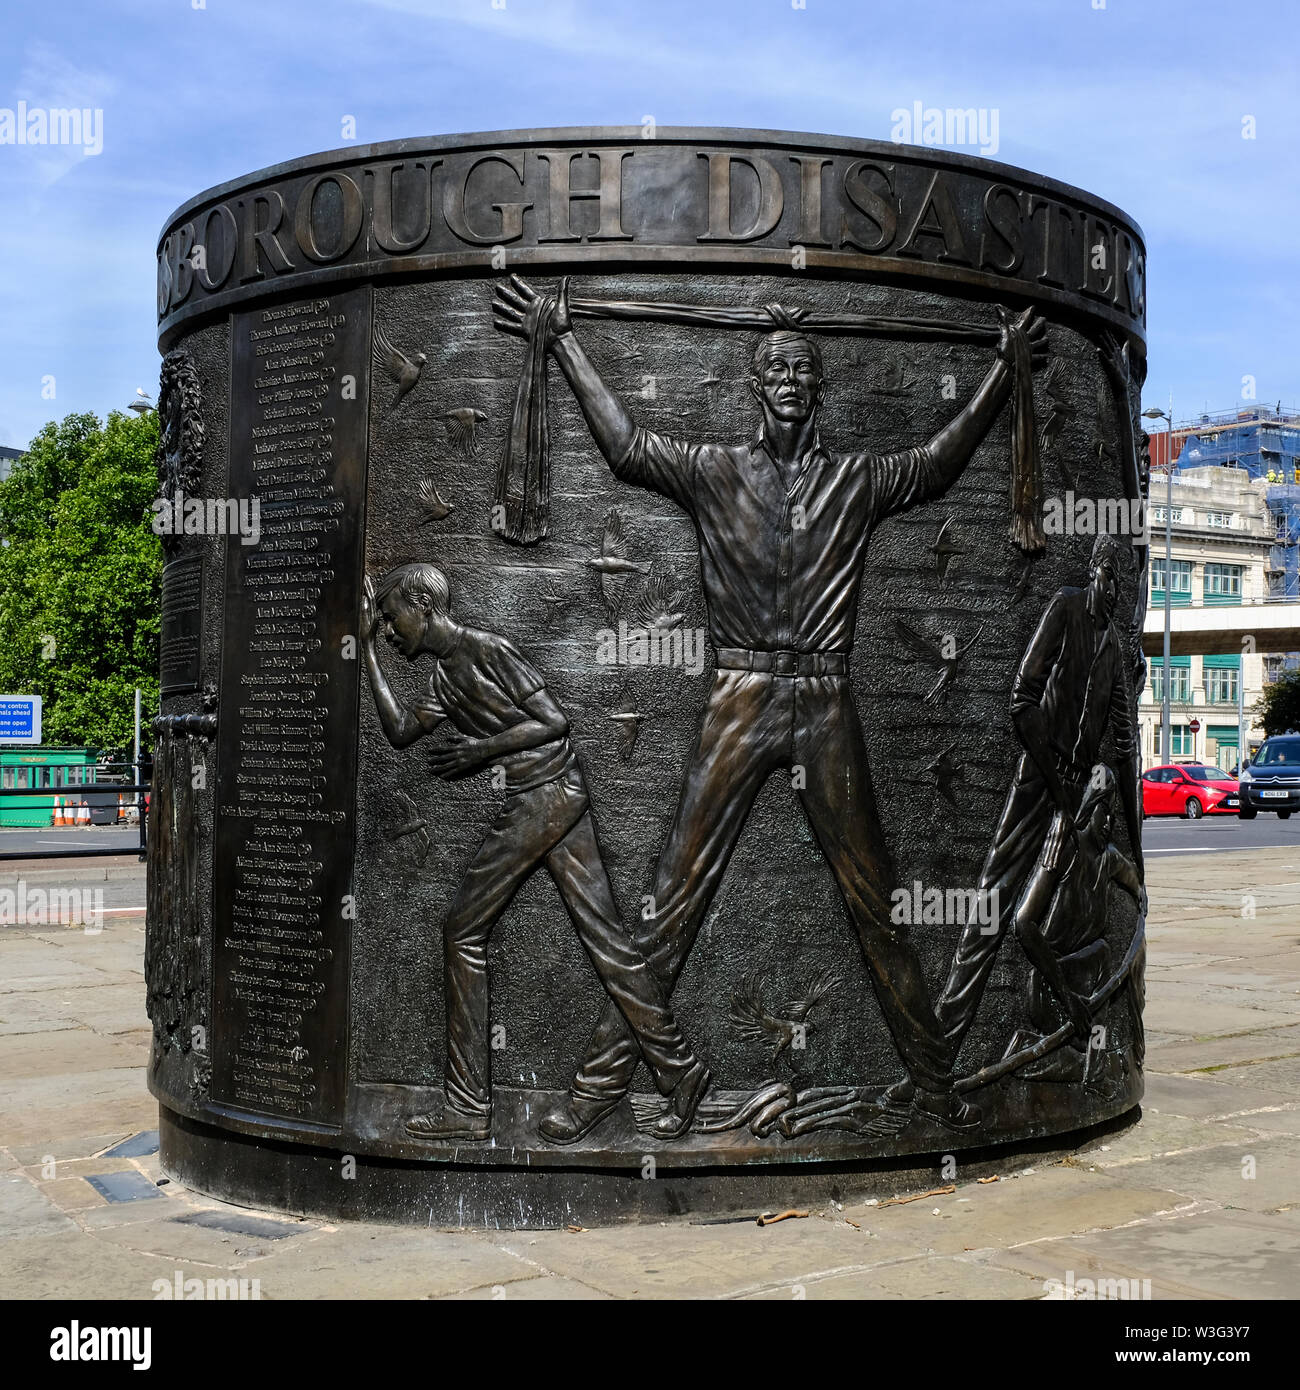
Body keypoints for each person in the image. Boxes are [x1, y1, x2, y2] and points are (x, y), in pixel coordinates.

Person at [493, 274, 1047, 1141]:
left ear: (818, 388)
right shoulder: (716, 473)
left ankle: (935, 1085)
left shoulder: (860, 480)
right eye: (777, 367)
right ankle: (602, 1085)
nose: (790, 379)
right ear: (757, 386)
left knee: (877, 900)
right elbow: (628, 447)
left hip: (825, 697)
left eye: (803, 368)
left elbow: (939, 463)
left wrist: (1005, 374)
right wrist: (562, 342)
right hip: (740, 694)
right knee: (672, 898)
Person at [361, 561, 710, 1142]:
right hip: (550, 797)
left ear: (424, 605)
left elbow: (554, 721)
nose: (392, 630)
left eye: (392, 617)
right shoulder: (445, 679)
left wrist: (480, 750)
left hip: (544, 799)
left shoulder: (489, 650)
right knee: (608, 942)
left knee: (461, 931)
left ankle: (468, 1107)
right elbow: (398, 730)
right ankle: (681, 1071)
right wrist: (368, 649)